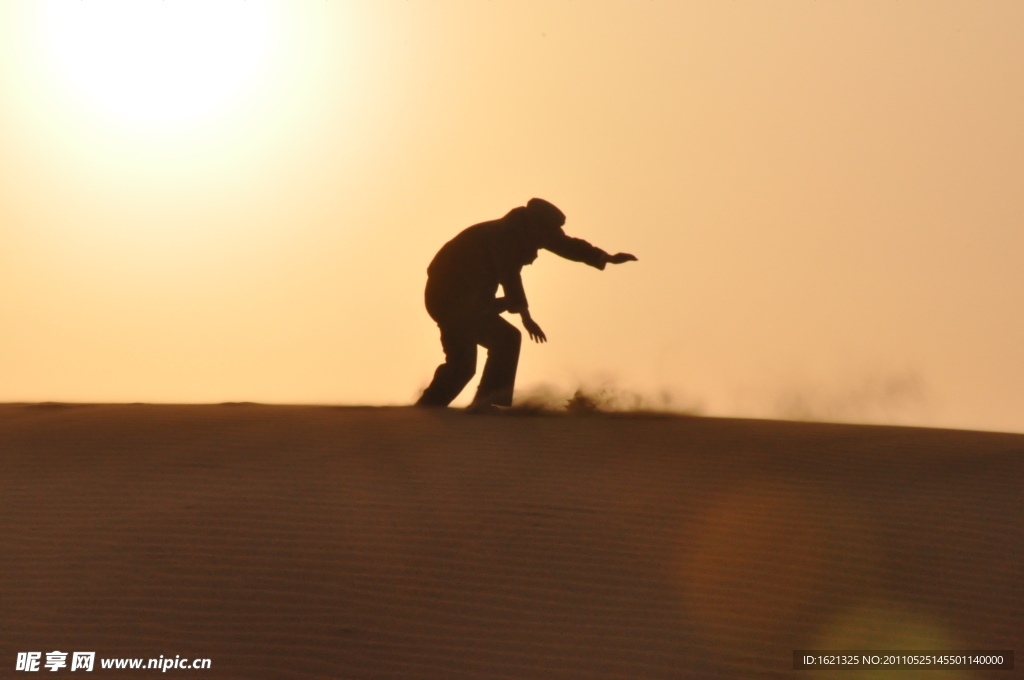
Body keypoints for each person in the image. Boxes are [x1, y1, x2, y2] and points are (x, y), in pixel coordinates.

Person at [415, 198, 637, 411]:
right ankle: (485, 403)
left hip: (472, 301)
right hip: (450, 298)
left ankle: (431, 408)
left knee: (463, 365)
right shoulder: (503, 237)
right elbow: (510, 276)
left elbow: (566, 245)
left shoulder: (528, 230)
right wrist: (526, 317)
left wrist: (605, 257)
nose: (537, 252)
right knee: (504, 340)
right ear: (536, 227)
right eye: (540, 244)